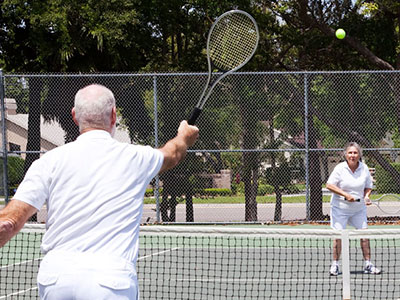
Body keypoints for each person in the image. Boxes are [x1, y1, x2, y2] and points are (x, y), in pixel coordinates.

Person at [0, 84, 199, 299]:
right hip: (111, 280)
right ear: (114, 115)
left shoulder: (47, 162)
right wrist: (184, 136)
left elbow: (8, 222)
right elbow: (173, 154)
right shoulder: (137, 158)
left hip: (56, 279)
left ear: (75, 116)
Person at [326, 142, 381, 276]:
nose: (352, 155)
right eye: (350, 153)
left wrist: (367, 196)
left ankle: (368, 264)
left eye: (355, 153)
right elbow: (329, 185)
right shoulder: (340, 168)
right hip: (340, 209)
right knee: (338, 236)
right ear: (346, 154)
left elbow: (368, 186)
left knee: (364, 235)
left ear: (359, 155)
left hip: (358, 209)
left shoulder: (364, 168)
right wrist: (345, 195)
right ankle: (335, 265)